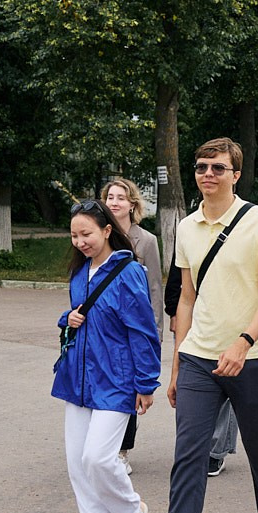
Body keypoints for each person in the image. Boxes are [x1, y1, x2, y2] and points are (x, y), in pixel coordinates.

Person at [127, 138, 258, 513]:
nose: (207, 174)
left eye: (218, 168)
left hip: (252, 356)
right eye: (201, 167)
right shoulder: (186, 226)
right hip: (199, 358)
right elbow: (185, 297)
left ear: (235, 175)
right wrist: (177, 363)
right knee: (188, 459)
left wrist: (243, 342)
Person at [55, 201, 160, 513]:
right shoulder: (79, 271)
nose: (80, 242)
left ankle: (131, 511)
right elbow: (81, 316)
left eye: (86, 234)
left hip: (116, 379)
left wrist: (145, 383)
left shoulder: (128, 272)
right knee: (77, 462)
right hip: (77, 377)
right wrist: (67, 317)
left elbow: (143, 331)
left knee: (98, 458)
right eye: (74, 236)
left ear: (106, 230)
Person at [102, 176, 165, 469]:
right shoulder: (99, 235)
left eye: (120, 197)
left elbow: (154, 287)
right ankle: (104, 446)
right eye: (110, 197)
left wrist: (155, 330)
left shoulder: (147, 241)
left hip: (134, 328)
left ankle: (122, 452)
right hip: (105, 328)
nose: (114, 202)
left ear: (132, 204)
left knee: (129, 389)